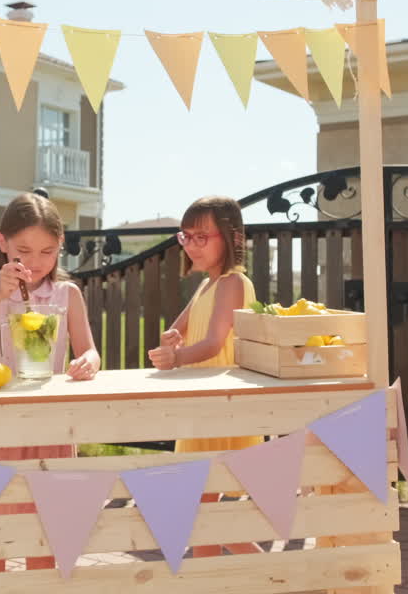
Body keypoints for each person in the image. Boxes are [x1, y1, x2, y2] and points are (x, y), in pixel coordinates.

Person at [0, 191, 101, 572]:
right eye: (24, 251)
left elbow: (91, 352)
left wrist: (87, 362)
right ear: (2, 243)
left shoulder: (67, 294)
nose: (35, 263)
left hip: (48, 431)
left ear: (61, 245)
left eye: (47, 251)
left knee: (45, 543)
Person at [148, 195, 263, 558]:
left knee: (202, 512)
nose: (192, 245)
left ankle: (280, 580)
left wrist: (176, 356)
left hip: (221, 407)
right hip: (203, 408)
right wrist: (172, 340)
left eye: (202, 237)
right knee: (203, 514)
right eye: (187, 237)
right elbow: (178, 328)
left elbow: (214, 343)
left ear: (232, 238)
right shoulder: (207, 284)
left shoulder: (232, 282)